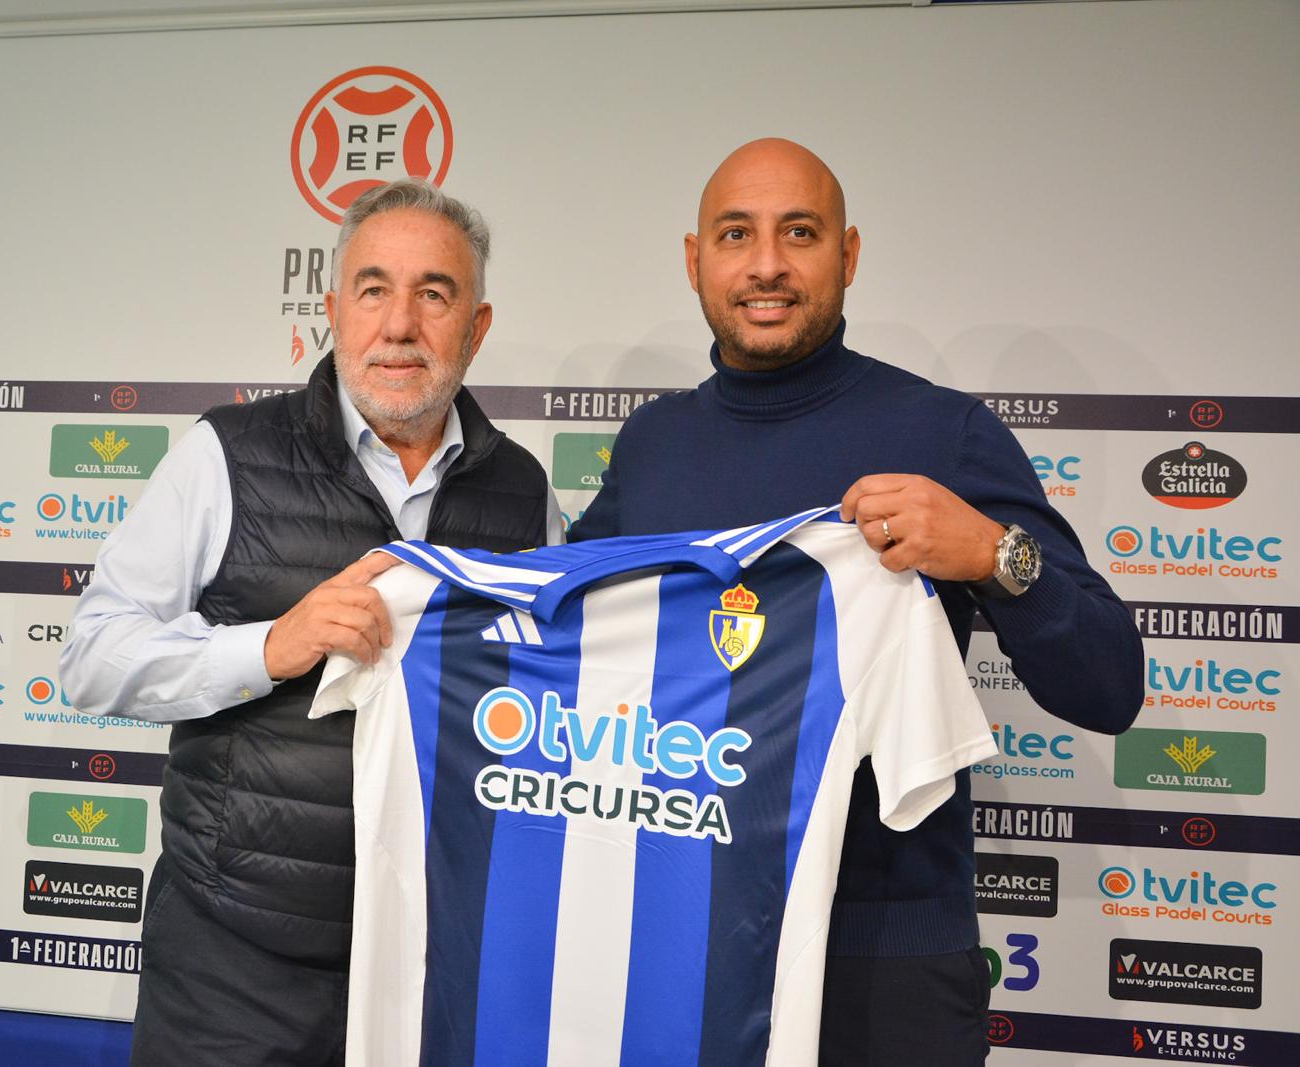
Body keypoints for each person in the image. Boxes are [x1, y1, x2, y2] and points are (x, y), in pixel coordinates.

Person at [570, 138, 1143, 1065]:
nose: (766, 264)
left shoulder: (944, 432)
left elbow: (1111, 685)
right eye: (735, 234)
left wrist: (994, 552)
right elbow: (557, 635)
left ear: (849, 255)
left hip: (885, 962)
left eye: (800, 232)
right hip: (683, 938)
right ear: (694, 259)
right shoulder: (653, 443)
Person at [60, 178, 559, 1066]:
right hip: (235, 971)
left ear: (477, 327)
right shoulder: (227, 455)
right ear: (333, 309)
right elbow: (92, 657)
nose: (399, 324)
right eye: (373, 290)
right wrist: (269, 645)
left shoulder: (525, 496)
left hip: (431, 965)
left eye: (434, 294)